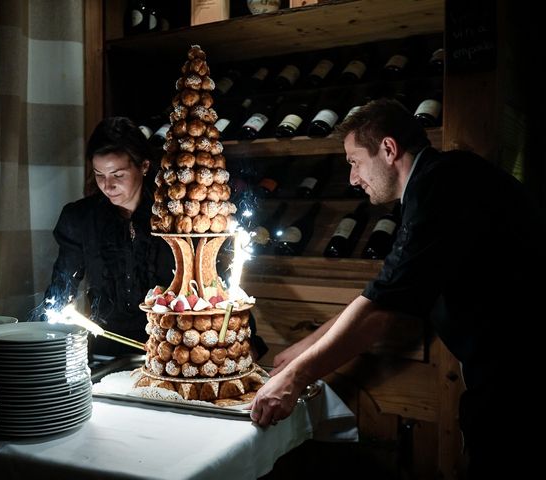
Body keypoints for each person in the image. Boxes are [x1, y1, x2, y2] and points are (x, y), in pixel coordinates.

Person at [249, 99, 544, 478]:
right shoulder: (435, 182)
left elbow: (380, 313)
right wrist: (304, 349)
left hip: (522, 381)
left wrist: (295, 378)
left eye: (354, 162)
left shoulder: (442, 185)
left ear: (388, 149)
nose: (353, 178)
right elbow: (385, 289)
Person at [40, 116, 267, 358]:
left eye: (118, 175)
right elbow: (61, 288)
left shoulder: (176, 218)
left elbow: (214, 283)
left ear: (144, 166)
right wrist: (41, 337)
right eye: (99, 175)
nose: (108, 186)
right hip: (105, 351)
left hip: (173, 351)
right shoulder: (81, 219)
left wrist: (245, 338)